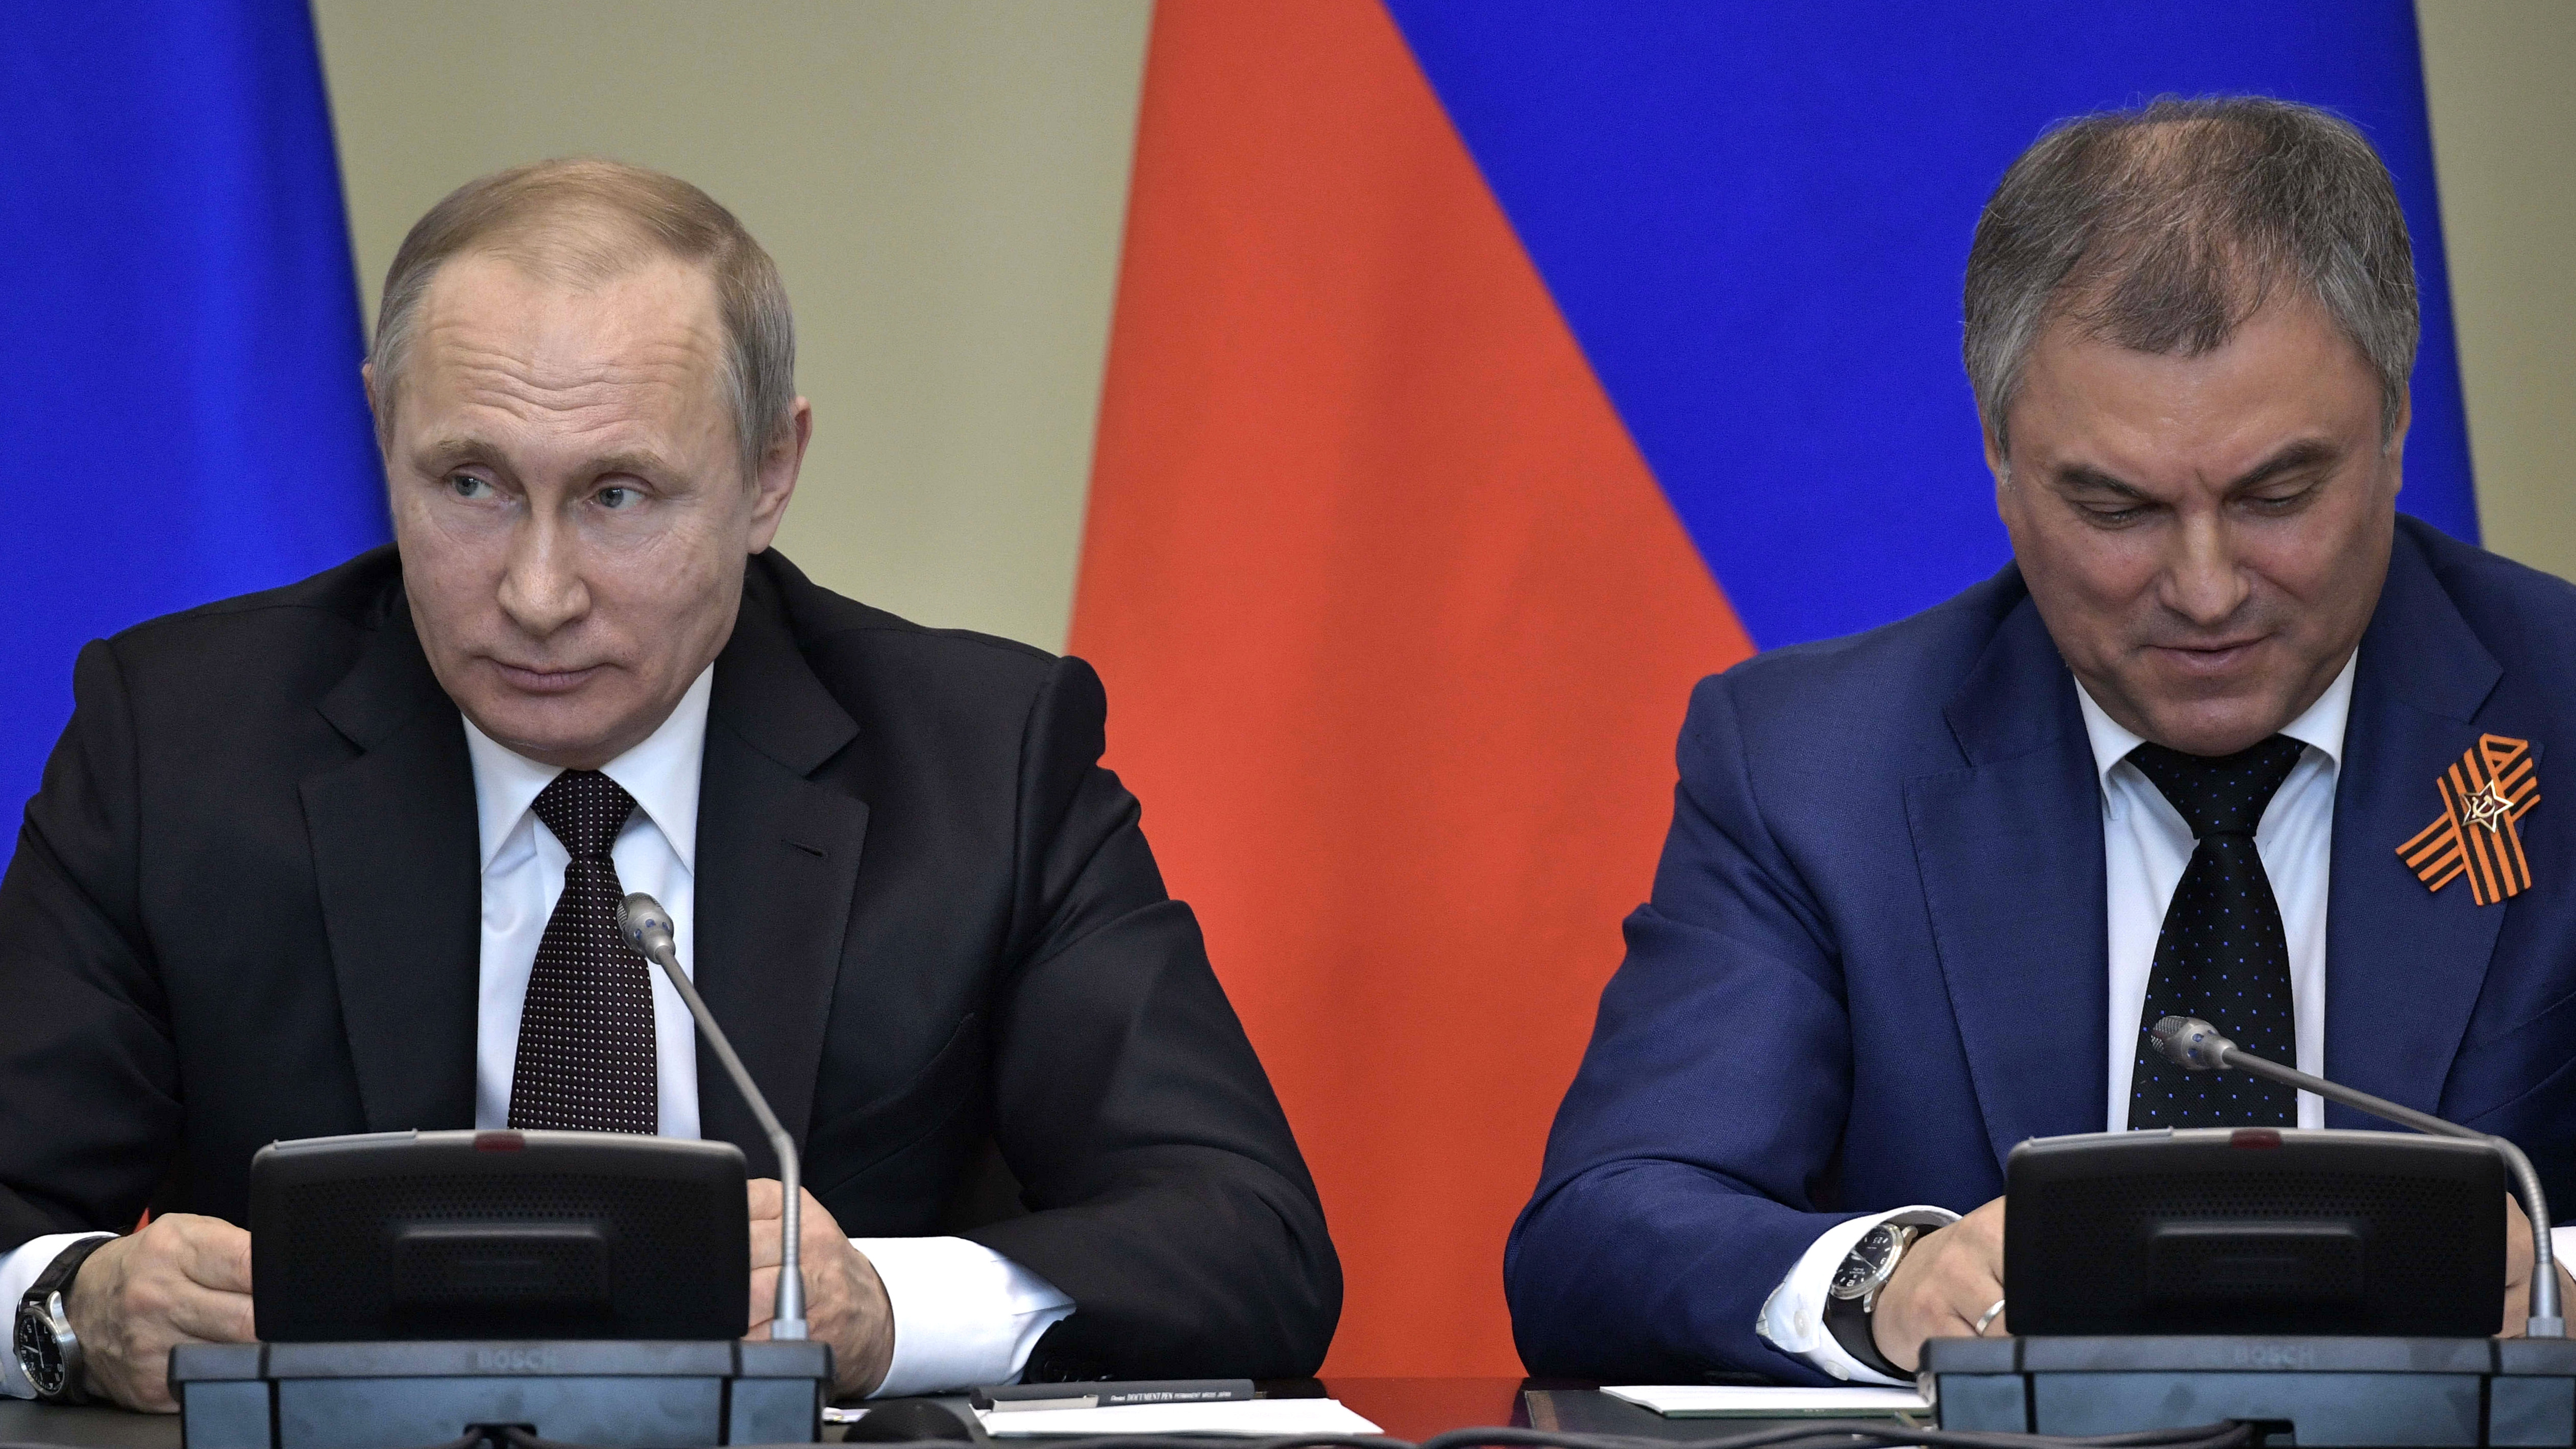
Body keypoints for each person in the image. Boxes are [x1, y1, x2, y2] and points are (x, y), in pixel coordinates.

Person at [0, 160, 1338, 1412]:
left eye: (619, 495)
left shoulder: (982, 762)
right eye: (470, 482)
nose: (536, 593)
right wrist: (71, 1307)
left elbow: (1248, 1242)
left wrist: (878, 1308)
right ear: (381, 433)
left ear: (769, 476)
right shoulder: (179, 743)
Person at [1507, 96, 2576, 1385]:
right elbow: (1603, 1230)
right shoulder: (1813, 769)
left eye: (2277, 494)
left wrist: (2562, 1285)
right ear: (1999, 456)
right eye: (2116, 508)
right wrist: (1886, 1282)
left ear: (2395, 425)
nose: (2204, 588)